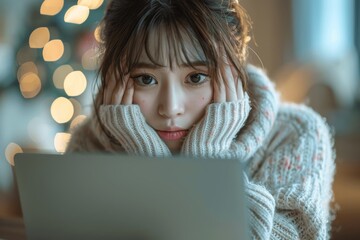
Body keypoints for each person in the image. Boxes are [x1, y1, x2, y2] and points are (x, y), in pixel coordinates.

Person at [66, 0, 336, 239]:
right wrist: (147, 160)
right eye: (145, 79)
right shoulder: (88, 143)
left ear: (234, 67)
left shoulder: (295, 134)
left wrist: (207, 161)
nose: (171, 108)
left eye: (196, 77)